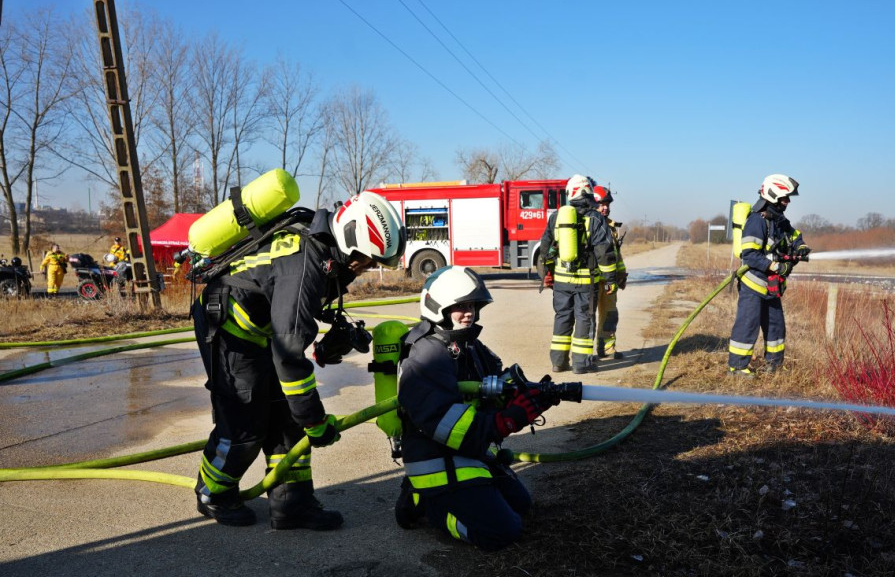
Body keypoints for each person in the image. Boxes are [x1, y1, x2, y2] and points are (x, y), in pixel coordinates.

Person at [192, 191, 406, 529]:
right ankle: (213, 493)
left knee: (286, 420)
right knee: (246, 419)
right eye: (367, 260)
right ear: (351, 240)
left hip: (261, 330)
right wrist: (314, 421)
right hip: (229, 329)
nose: (367, 268)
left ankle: (292, 504)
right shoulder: (303, 264)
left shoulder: (322, 250)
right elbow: (289, 355)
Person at [393, 265, 556, 550]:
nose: (468, 312)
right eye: (460, 306)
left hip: (469, 453)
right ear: (439, 307)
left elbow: (492, 385)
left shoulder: (467, 344)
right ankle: (426, 505)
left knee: (521, 505)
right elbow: (448, 426)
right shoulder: (426, 356)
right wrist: (507, 420)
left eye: (472, 305)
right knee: (502, 533)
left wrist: (532, 394)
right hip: (437, 460)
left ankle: (447, 498)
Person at [728, 174, 811, 376]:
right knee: (748, 325)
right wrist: (775, 267)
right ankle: (737, 367)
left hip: (771, 286)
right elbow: (750, 255)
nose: (788, 201)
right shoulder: (757, 221)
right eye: (785, 198)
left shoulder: (780, 221)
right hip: (753, 285)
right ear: (773, 196)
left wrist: (801, 247)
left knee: (776, 326)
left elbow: (795, 236)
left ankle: (774, 365)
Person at [538, 174, 618, 374]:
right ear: (589, 192)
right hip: (586, 282)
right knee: (584, 319)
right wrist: (610, 280)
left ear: (569, 193)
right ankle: (581, 364)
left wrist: (548, 273)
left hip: (561, 282)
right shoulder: (596, 219)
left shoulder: (556, 217)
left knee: (562, 318)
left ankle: (559, 362)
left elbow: (545, 248)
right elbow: (604, 253)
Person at [592, 185, 628, 359]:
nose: (605, 207)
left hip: (609, 282)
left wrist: (621, 274)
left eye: (607, 204)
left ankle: (607, 348)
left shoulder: (611, 227)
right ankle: (584, 355)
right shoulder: (588, 225)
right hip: (591, 281)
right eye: (601, 204)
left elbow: (616, 255)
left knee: (610, 314)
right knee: (587, 318)